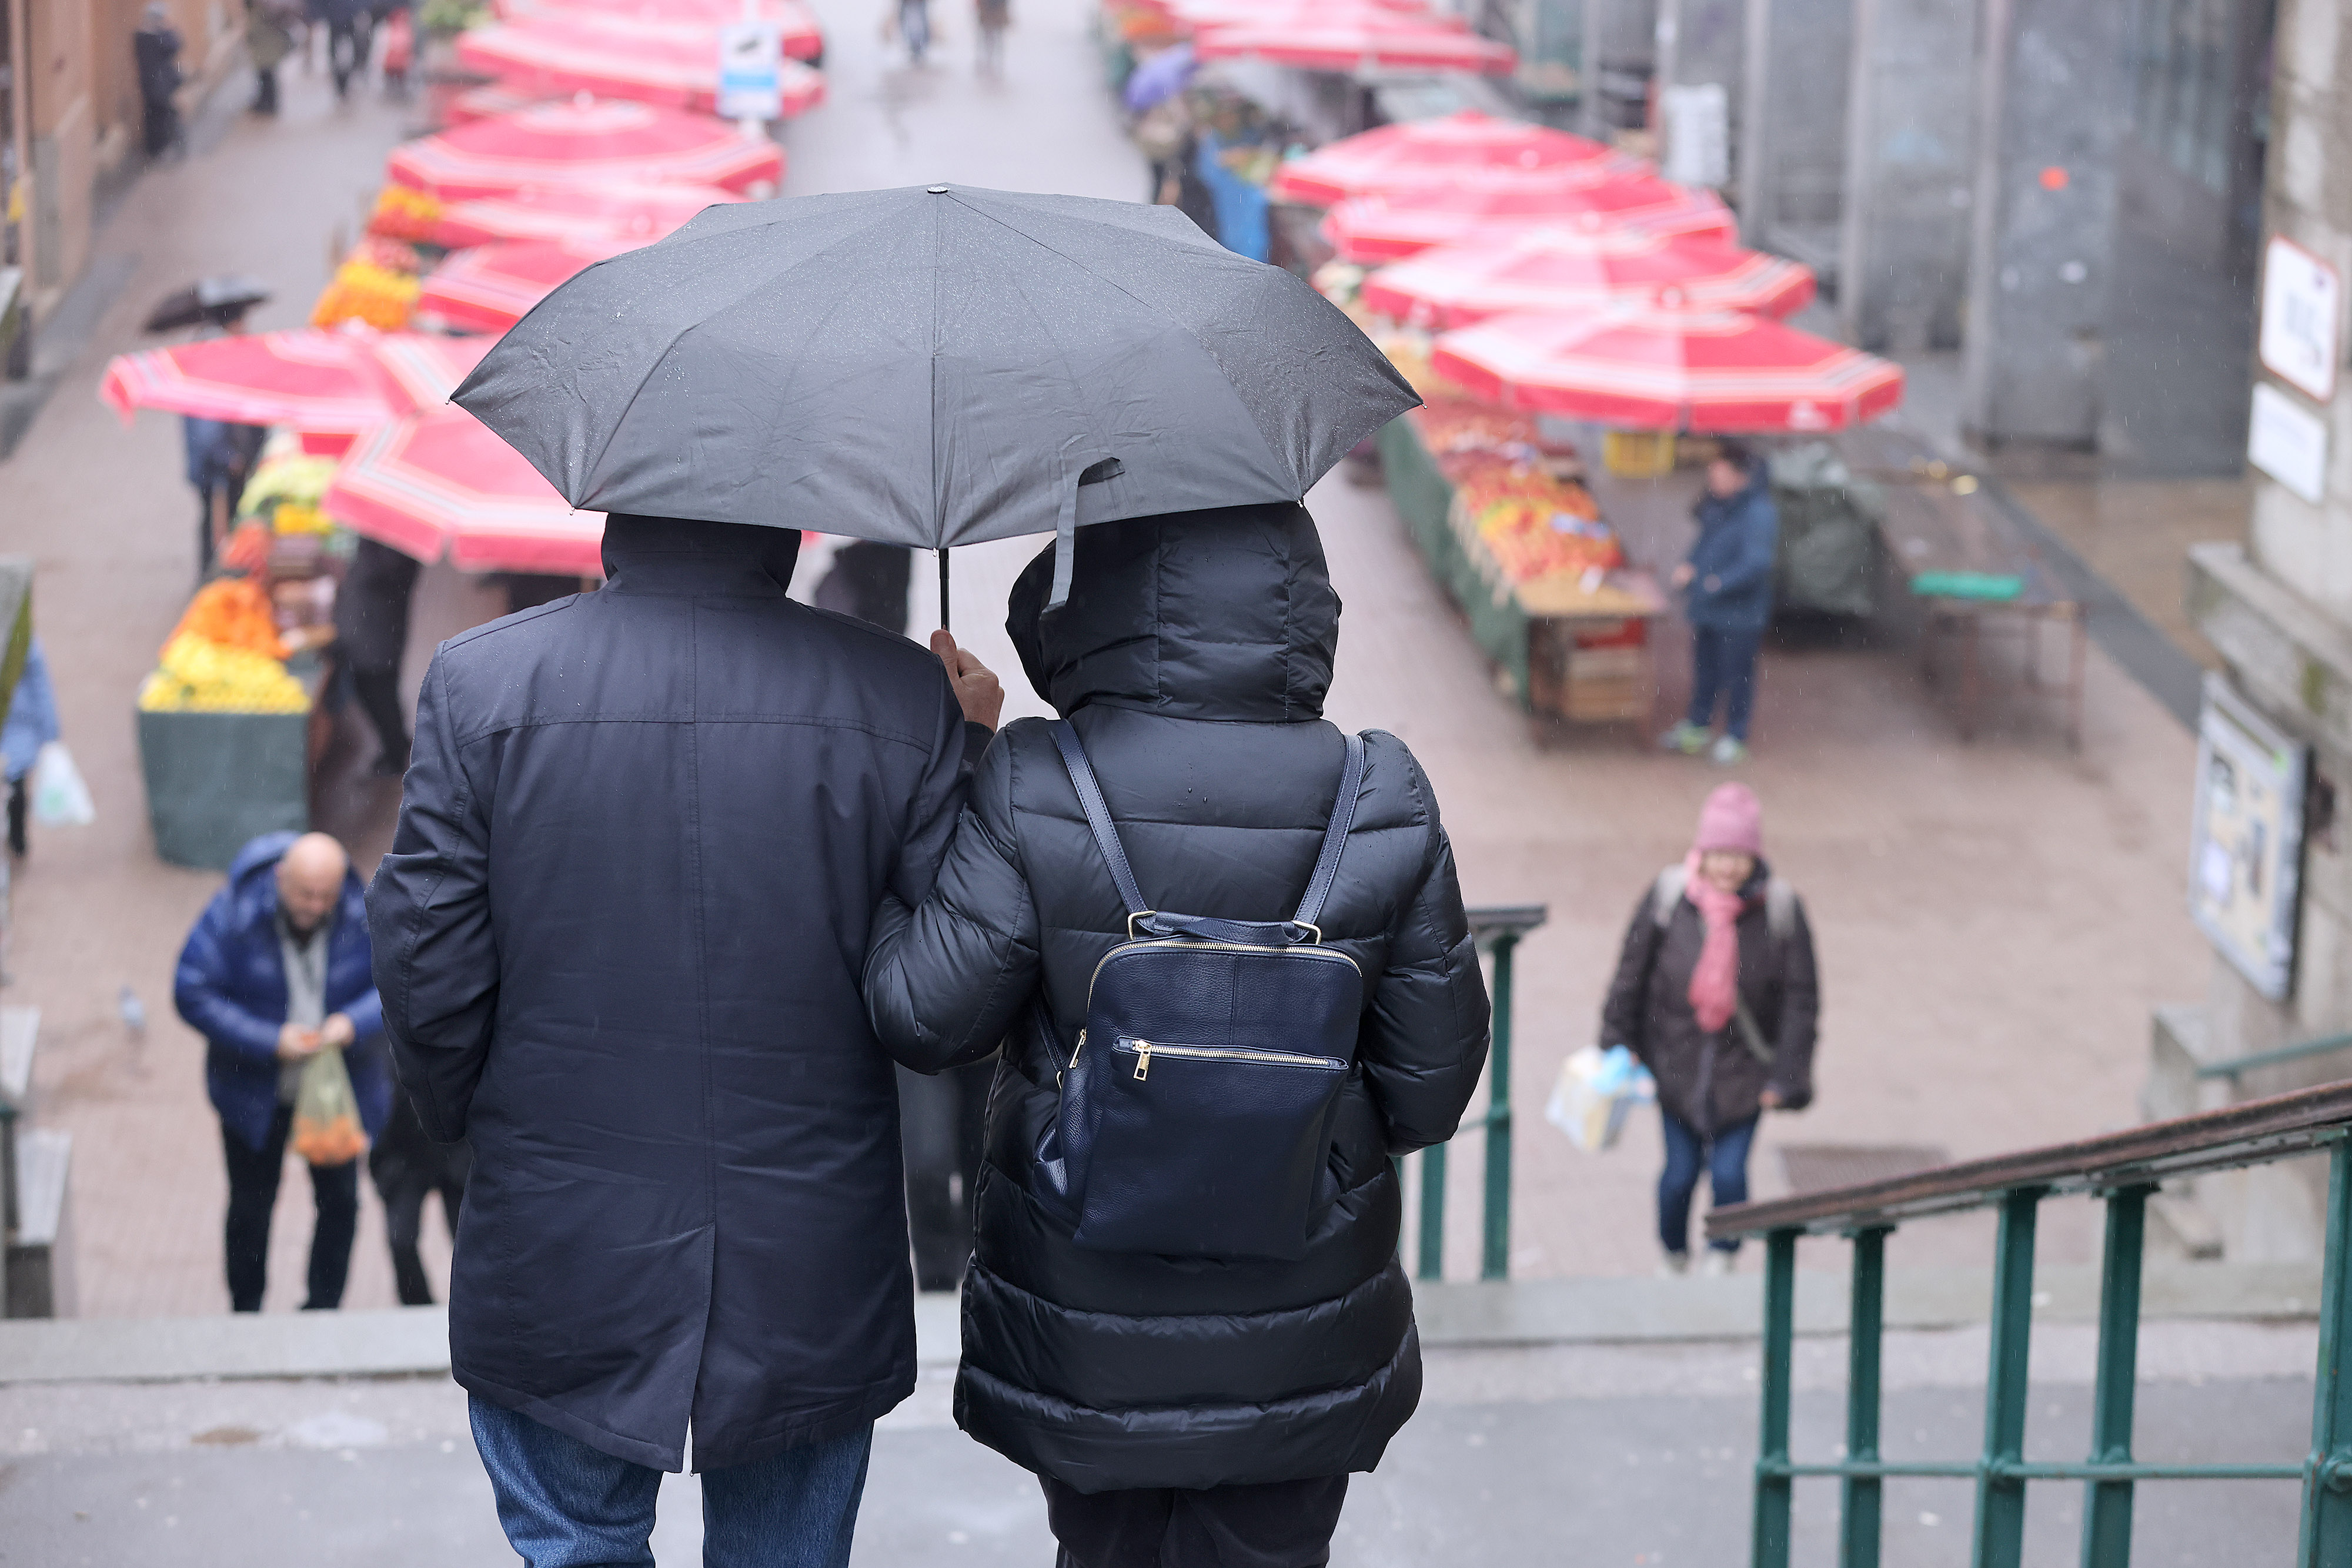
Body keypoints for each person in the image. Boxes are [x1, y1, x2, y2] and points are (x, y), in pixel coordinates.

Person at [866, 502, 1491, 1568]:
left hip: (1087, 1316)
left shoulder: (1034, 777)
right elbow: (1430, 1091)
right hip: (1305, 1327)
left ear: (1088, 606)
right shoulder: (1379, 791)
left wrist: (949, 775)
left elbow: (928, 1014)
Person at [366, 515, 1003, 1564]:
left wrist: (474, 1128)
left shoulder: (483, 684)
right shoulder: (895, 695)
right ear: (785, 527)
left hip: (560, 1231)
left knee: (574, 1538)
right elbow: (947, 996)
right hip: (809, 1243)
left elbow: (425, 954)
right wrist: (959, 746)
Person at [808, 539, 991, 1292]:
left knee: (979, 1161)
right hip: (909, 991)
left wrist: (972, 740)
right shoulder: (855, 744)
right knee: (927, 1164)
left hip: (978, 997)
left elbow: (975, 857)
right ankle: (943, 1283)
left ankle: (970, 1281)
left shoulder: (962, 746)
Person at [1601, 783, 1817, 1276]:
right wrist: (1619, 1041)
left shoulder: (1781, 910)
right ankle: (1673, 1254)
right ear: (1703, 850)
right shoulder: (1669, 898)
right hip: (1675, 1068)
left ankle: (1723, 1255)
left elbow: (1801, 1002)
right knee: (1678, 1177)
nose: (1728, 866)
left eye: (1740, 855)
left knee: (1729, 1174)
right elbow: (1631, 975)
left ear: (1755, 855)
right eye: (1720, 853)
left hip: (1744, 1075)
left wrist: (1786, 1077)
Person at [175, 831, 392, 1312]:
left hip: (336, 1091)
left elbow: (400, 983)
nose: (315, 906)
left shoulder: (364, 912)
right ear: (280, 879)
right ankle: (247, 1309)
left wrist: (350, 1024)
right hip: (253, 1092)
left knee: (340, 1205)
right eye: (304, 894)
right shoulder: (233, 913)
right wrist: (269, 1040)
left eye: (325, 896)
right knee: (251, 1208)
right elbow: (190, 989)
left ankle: (322, 1308)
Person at [1660, 439, 1779, 766]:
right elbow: (1704, 543)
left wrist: (1718, 583)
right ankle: (1698, 724)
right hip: (1709, 609)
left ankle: (1736, 735)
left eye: (1720, 471)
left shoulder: (1759, 513)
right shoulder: (1717, 506)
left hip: (1739, 615)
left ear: (1739, 476)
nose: (1713, 477)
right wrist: (1690, 565)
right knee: (1704, 669)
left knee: (1738, 675)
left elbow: (1757, 563)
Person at [368, 1084, 467, 1306]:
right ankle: (418, 1305)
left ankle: (477, 1302)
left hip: (457, 1148)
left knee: (470, 1240)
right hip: (403, 1152)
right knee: (400, 1239)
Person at [333, 537, 421, 775]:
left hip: (377, 625)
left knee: (378, 689)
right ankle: (396, 744)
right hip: (374, 622)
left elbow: (388, 570)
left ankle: (395, 753)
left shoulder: (395, 542)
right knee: (376, 688)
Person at [3, 637, 58, 859]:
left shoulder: (23, 639)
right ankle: (17, 840)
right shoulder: (21, 636)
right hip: (18, 725)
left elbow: (38, 680)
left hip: (15, 726)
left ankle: (17, 839)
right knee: (16, 787)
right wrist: (50, 731)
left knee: (16, 787)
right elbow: (39, 682)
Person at [133, 4, 185, 159]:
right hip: (159, 84)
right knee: (161, 115)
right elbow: (175, 46)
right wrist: (168, 29)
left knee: (155, 115)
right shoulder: (155, 37)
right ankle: (162, 147)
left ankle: (157, 148)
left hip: (152, 84)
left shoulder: (142, 36)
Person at [248, 0, 296, 116]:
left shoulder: (265, 7)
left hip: (267, 40)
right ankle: (267, 101)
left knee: (267, 72)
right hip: (265, 40)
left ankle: (268, 103)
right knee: (265, 72)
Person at [317, 0, 372, 98]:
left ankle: (343, 87)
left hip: (346, 21)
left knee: (348, 55)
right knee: (338, 55)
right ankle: (341, 87)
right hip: (338, 21)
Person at [974, 0, 1008, 72]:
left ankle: (994, 64)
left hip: (995, 14)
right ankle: (988, 63)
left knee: (995, 39)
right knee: (989, 39)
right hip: (988, 14)